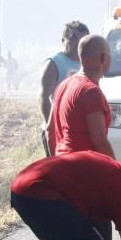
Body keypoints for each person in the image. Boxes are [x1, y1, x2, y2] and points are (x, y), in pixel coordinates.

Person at [22, 34, 121, 240]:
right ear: (104, 59)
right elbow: (98, 140)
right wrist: (118, 174)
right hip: (88, 175)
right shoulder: (91, 92)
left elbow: (53, 131)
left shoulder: (65, 85)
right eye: (108, 55)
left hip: (65, 169)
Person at [38, 20, 89, 155]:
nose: (77, 43)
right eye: (73, 38)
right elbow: (43, 97)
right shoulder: (54, 63)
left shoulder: (89, 62)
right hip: (59, 131)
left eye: (82, 39)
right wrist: (51, 127)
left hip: (80, 130)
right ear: (63, 40)